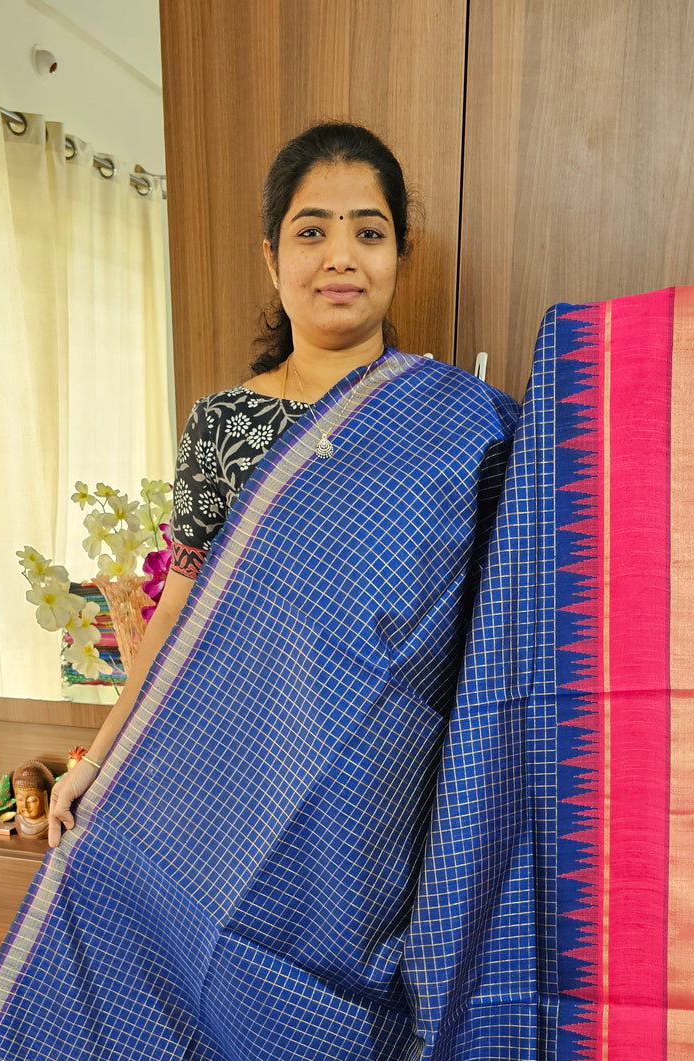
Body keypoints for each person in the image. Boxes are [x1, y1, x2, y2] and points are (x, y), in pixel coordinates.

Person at [47, 122, 518, 846]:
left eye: (369, 233)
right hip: (252, 770)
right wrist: (97, 759)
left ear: (399, 255)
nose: (341, 257)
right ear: (272, 259)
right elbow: (179, 613)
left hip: (403, 783)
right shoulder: (225, 424)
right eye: (311, 233)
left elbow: (505, 611)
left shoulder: (458, 423)